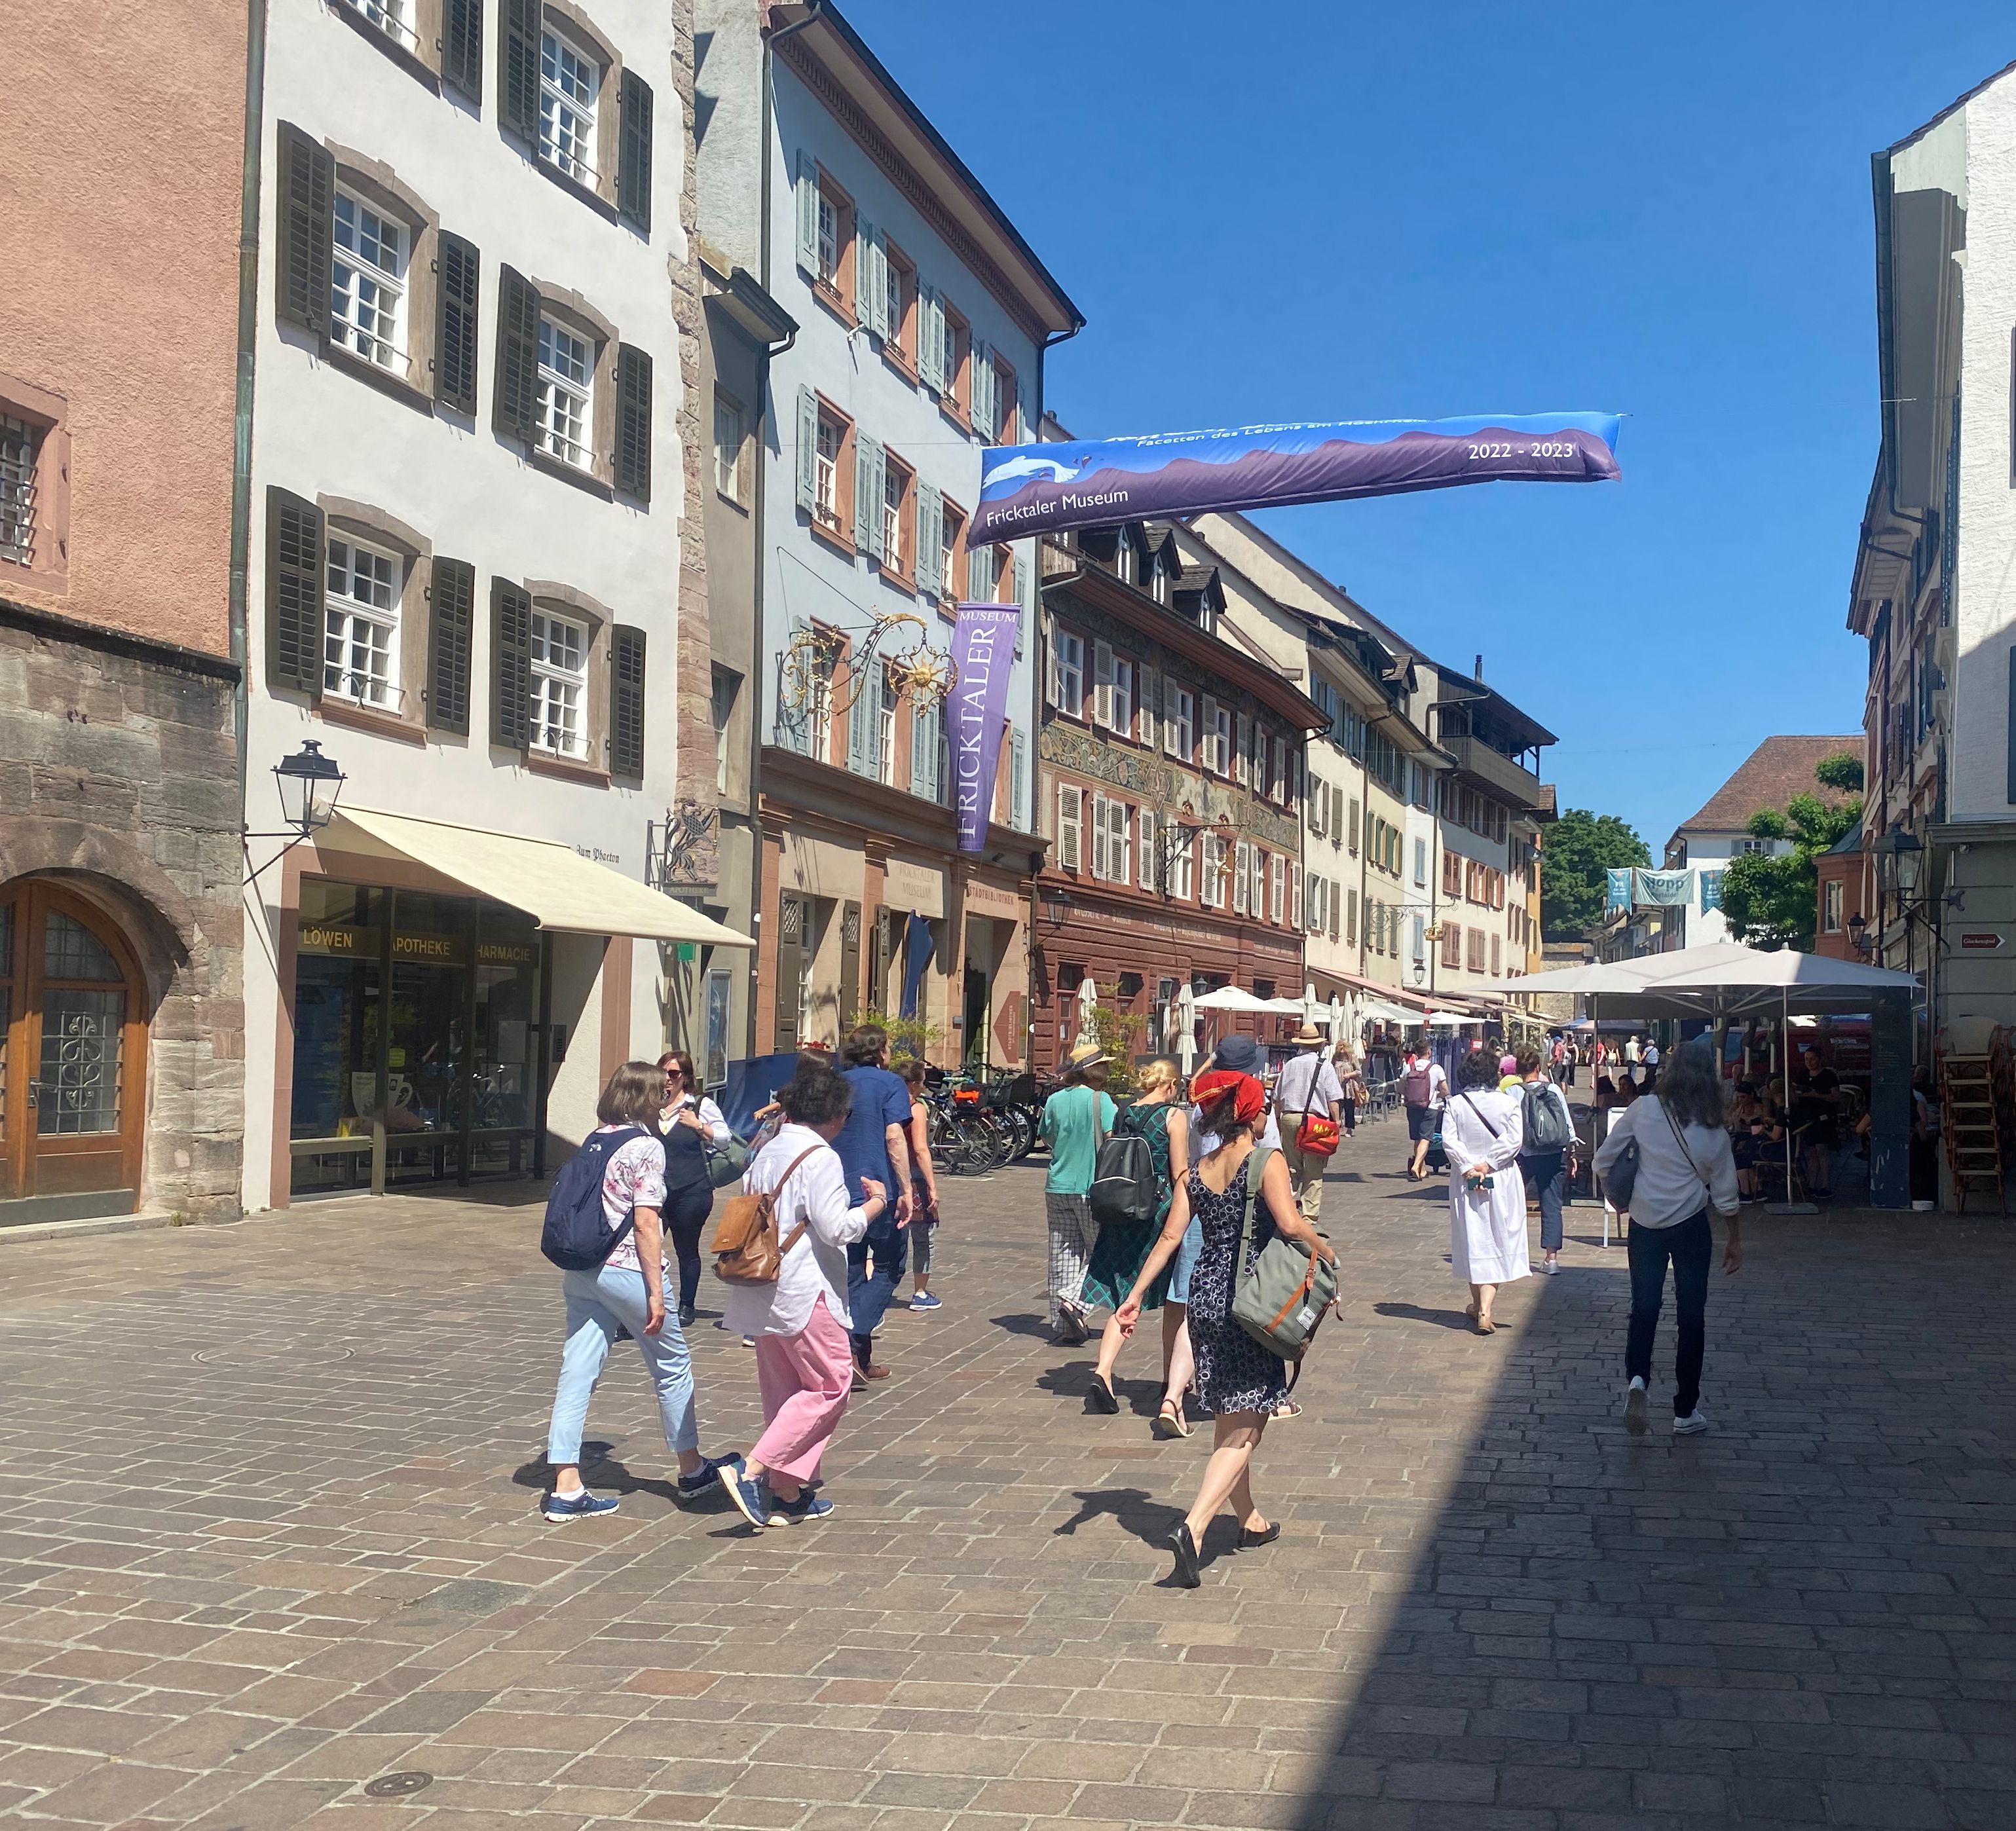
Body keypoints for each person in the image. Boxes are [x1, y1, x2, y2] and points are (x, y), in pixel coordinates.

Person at [1115, 1068, 1337, 1588]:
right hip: (1250, 1302)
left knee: (1229, 1416)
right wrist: (1325, 1249)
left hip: (1205, 1299)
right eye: (1262, 1108)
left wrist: (1133, 1296)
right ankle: (1193, 1529)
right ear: (1249, 1113)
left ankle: (1250, 1521)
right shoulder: (1267, 1159)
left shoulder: (1198, 1169)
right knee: (1247, 1427)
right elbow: (1287, 1223)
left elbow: (1171, 1237)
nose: (1266, 1117)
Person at [541, 1062, 739, 1522]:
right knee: (671, 1364)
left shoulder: (597, 1138)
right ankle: (692, 1470)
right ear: (645, 1099)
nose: (663, 1097)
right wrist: (656, 1291)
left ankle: (566, 1483)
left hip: (584, 1267)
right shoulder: (645, 1146)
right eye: (658, 1091)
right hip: (628, 1267)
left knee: (578, 1368)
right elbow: (648, 1222)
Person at [717, 1059, 886, 1528]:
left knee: (785, 1390)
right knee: (833, 1383)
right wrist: (874, 1204)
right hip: (805, 1287)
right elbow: (838, 1229)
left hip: (760, 1282)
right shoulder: (820, 1157)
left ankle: (787, 1492)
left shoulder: (766, 1149)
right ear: (834, 1115)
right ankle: (753, 1469)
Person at [1594, 1039, 1742, 1435]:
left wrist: (1616, 1197)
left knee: (1645, 1307)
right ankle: (1685, 1410)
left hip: (1645, 1223)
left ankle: (1638, 1379)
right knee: (1691, 1317)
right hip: (1692, 1226)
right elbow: (1727, 1194)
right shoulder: (1714, 1127)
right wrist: (1734, 1239)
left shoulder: (1644, 1109)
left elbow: (1603, 1159)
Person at [1081, 1059, 1189, 1416]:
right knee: (1175, 1298)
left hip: (1119, 1206)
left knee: (1122, 1294)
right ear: (1171, 1086)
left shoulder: (1123, 1113)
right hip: (1155, 1212)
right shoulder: (1174, 1118)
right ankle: (1170, 1380)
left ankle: (1104, 1369)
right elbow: (1180, 1174)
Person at [832, 1026, 914, 1384]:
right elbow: (894, 1136)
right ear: (880, 1052)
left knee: (849, 1269)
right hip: (879, 1190)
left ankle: (859, 1360)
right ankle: (854, 1340)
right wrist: (908, 1189)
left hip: (836, 1188)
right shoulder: (890, 1083)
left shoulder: (837, 1083)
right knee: (888, 1267)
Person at [1039, 1037, 1117, 1344]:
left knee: (1063, 1255)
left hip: (1057, 1184)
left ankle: (1062, 1324)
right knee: (1103, 1252)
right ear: (1095, 1071)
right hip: (1091, 1188)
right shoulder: (1103, 1101)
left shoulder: (1056, 1100)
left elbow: (1047, 1137)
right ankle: (1075, 1302)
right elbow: (1111, 1142)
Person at [1443, 1049, 1527, 1334]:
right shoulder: (1507, 1104)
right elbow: (1515, 1140)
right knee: (1498, 1237)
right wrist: (1489, 1164)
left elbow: (1450, 1141)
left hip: (1466, 1180)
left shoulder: (1455, 1104)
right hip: (1500, 1177)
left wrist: (1469, 1166)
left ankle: (1477, 1303)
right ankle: (1485, 1309)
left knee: (1473, 1237)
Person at [655, 1050, 726, 1328]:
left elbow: (724, 1138)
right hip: (655, 1192)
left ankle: (687, 1305)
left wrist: (698, 1125)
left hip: (691, 1190)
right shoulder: (652, 1105)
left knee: (686, 1249)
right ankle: (643, 1302)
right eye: (663, 1073)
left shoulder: (700, 1106)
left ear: (685, 1078)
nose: (667, 1079)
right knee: (642, 1248)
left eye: (673, 1074)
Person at [1274, 1026, 1345, 1222]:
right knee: (1314, 1169)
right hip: (1315, 1122)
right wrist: (1337, 1121)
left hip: (1288, 1118)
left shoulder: (1289, 1065)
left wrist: (1279, 1121)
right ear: (1318, 1045)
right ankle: (1308, 1217)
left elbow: (1278, 1098)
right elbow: (1333, 1098)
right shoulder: (1325, 1066)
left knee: (1291, 1167)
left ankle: (1285, 1207)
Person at [1516, 1043, 1574, 1275]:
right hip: (1553, 1155)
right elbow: (1568, 1126)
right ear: (1538, 1067)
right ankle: (1552, 1259)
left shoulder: (1513, 1092)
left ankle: (1514, 1256)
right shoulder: (1555, 1091)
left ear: (1518, 1070)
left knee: (1514, 1205)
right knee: (1552, 1206)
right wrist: (1572, 1154)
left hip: (1523, 1155)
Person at [895, 1059, 943, 1311]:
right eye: (922, 1082)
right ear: (913, 1084)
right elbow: (921, 1149)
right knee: (923, 1237)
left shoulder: (887, 1106)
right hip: (914, 1178)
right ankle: (920, 1293)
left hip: (890, 1176)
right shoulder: (916, 1109)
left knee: (891, 1236)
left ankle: (874, 1286)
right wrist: (932, 1185)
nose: (924, 1086)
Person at [1790, 1045, 1842, 1200]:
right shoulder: (1803, 1075)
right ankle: (1812, 1184)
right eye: (1807, 1059)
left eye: (1812, 1059)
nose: (1809, 1062)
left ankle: (1825, 1185)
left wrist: (1815, 1095)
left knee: (1822, 1150)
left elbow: (1836, 1097)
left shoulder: (1829, 1076)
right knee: (1812, 1152)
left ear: (1820, 1059)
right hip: (1808, 1118)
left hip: (1824, 1118)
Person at [1403, 1047, 1449, 1181]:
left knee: (1417, 1137)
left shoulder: (1408, 1068)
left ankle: (1421, 1170)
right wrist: (1436, 1095)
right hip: (1430, 1107)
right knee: (1425, 1138)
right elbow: (1445, 1090)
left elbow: (1401, 1087)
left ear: (1416, 1054)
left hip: (1412, 1106)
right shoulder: (1436, 1068)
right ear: (1429, 1052)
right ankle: (1416, 1166)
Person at [1335, 1047, 1365, 1135]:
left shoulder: (1352, 1057)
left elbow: (1359, 1072)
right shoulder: (1335, 1058)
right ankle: (1338, 1128)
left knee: (1349, 1108)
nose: (1341, 1051)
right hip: (1338, 1086)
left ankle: (1349, 1129)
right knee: (1338, 1108)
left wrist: (1350, 1075)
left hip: (1349, 1087)